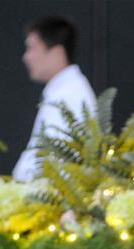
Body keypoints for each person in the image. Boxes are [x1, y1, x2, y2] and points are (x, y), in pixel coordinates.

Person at [12, 15, 96, 181]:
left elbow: (54, 167)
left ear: (57, 53)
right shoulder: (64, 92)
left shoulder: (70, 96)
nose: (26, 57)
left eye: (32, 48)